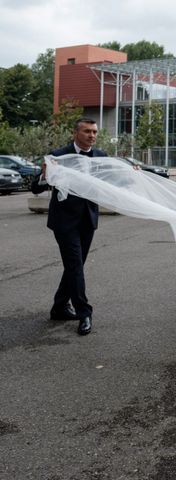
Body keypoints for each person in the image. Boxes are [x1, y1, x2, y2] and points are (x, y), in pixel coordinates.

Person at [32, 118, 107, 335]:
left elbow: (115, 178)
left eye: (94, 132)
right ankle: (84, 313)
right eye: (87, 131)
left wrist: (133, 171)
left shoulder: (101, 156)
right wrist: (46, 175)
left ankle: (59, 307)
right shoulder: (58, 155)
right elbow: (36, 187)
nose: (91, 135)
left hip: (88, 219)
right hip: (64, 222)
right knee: (75, 265)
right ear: (76, 133)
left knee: (75, 266)